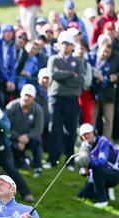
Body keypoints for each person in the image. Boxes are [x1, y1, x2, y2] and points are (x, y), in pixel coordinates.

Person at [45, 31, 84, 169]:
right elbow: (54, 74)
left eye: (68, 44)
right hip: (55, 98)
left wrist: (63, 78)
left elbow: (80, 80)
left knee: (71, 130)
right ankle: (52, 159)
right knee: (54, 128)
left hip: (72, 99)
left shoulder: (78, 62)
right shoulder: (53, 59)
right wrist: (70, 74)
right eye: (63, 43)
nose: (65, 46)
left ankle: (69, 161)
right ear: (59, 45)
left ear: (72, 46)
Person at [5, 84, 44, 177]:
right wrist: (18, 138)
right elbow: (5, 126)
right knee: (17, 165)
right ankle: (24, 160)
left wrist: (27, 137)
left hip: (28, 138)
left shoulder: (37, 109)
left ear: (33, 98)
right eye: (25, 95)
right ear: (21, 95)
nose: (26, 98)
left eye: (29, 96)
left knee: (37, 141)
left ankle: (38, 168)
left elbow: (39, 129)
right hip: (13, 138)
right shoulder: (11, 107)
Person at [76, 123, 119, 208]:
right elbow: (82, 168)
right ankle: (105, 191)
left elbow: (102, 161)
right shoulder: (84, 146)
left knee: (97, 169)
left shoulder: (103, 141)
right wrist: (84, 171)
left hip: (114, 172)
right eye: (84, 135)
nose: (86, 136)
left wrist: (88, 164)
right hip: (98, 174)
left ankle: (102, 200)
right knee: (82, 195)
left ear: (94, 132)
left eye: (88, 133)